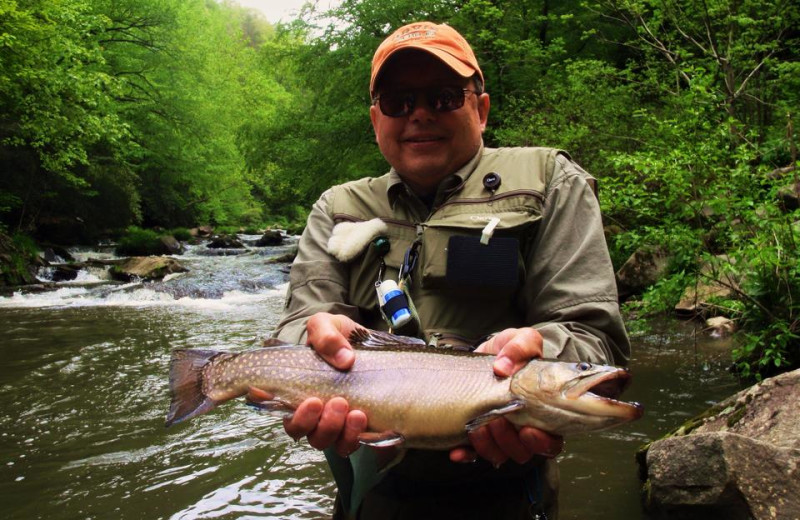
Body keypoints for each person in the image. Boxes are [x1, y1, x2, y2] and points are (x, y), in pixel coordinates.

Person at [267, 21, 630, 519]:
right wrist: (311, 341)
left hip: (507, 489)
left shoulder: (550, 181)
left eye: (442, 97)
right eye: (398, 102)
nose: (418, 114)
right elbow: (294, 325)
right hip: (371, 490)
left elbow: (597, 339)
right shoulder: (337, 207)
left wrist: (542, 347)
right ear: (376, 119)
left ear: (480, 108)